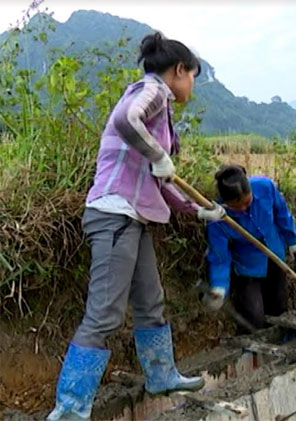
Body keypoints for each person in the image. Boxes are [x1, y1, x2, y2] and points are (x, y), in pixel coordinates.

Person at [48, 32, 226, 420]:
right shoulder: (153, 90)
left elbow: (159, 182)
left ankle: (161, 376)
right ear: (179, 70)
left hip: (133, 217)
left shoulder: (162, 112)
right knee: (104, 315)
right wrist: (158, 152)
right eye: (192, 75)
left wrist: (198, 212)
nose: (191, 84)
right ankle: (70, 410)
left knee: (150, 302)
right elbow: (125, 121)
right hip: (114, 215)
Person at [203, 164, 296, 330]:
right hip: (247, 265)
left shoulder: (265, 187)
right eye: (237, 207)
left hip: (274, 256)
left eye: (247, 203)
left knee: (279, 310)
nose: (243, 209)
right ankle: (255, 351)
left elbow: (282, 213)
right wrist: (219, 286)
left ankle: (281, 347)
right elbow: (219, 256)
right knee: (253, 317)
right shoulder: (217, 218)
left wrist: (293, 240)